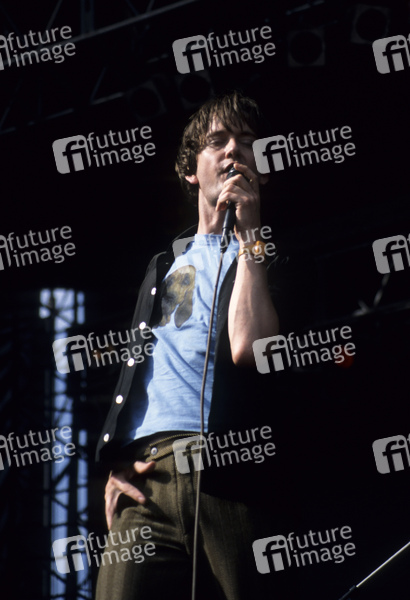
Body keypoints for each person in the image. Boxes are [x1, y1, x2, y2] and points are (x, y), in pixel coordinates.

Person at [95, 91, 284, 600]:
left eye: (247, 141)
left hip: (229, 469)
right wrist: (115, 460)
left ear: (262, 171)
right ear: (190, 171)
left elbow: (251, 348)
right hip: (148, 475)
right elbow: (139, 373)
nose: (233, 150)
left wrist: (252, 240)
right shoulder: (161, 268)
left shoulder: (277, 258)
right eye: (217, 141)